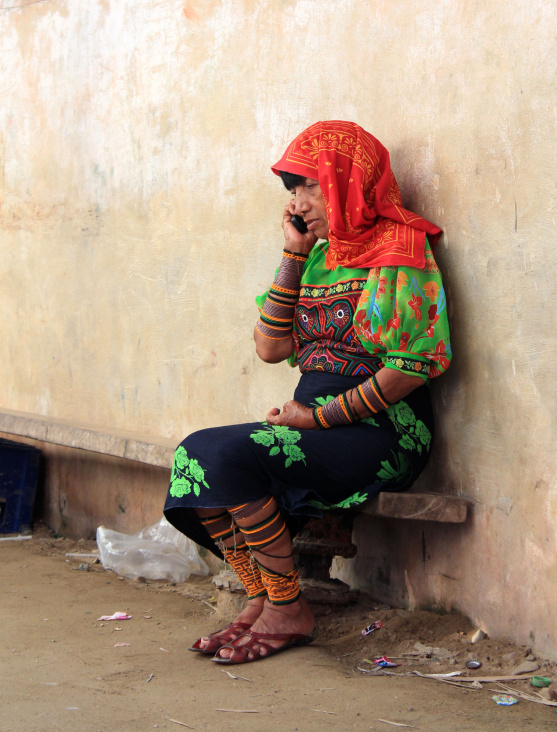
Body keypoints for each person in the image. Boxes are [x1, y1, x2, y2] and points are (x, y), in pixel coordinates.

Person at [163, 120, 451, 665]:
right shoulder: (317, 255)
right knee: (194, 456)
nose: (297, 203)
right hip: (312, 422)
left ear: (346, 181)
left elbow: (413, 368)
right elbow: (270, 348)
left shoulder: (401, 249)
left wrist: (317, 420)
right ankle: (265, 596)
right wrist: (294, 253)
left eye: (308, 187)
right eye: (292, 191)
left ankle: (289, 608)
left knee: (222, 454)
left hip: (383, 431)